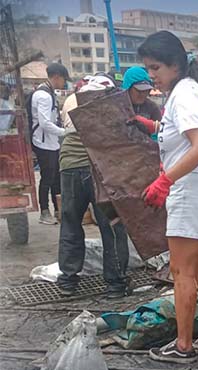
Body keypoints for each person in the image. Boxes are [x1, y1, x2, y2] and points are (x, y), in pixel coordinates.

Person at [139, 31, 198, 363]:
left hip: (194, 190)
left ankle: (183, 346)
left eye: (156, 68)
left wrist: (164, 181)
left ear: (175, 65)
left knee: (182, 272)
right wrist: (151, 127)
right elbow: (183, 136)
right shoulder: (186, 91)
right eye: (148, 69)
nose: (152, 76)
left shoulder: (185, 95)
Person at [56, 75, 132, 299]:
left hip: (69, 165)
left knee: (70, 222)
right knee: (112, 224)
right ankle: (116, 284)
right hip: (97, 169)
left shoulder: (71, 99)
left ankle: (68, 282)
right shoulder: (108, 100)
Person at [30, 63, 69, 224]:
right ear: (56, 77)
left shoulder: (47, 92)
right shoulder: (44, 96)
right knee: (47, 178)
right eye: (63, 80)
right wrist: (64, 133)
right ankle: (44, 212)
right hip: (43, 142)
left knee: (56, 178)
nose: (64, 83)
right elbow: (45, 122)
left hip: (51, 142)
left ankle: (58, 210)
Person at [122, 66, 162, 139]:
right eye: (139, 91)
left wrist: (152, 125)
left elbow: (165, 131)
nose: (143, 94)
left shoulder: (152, 107)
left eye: (146, 90)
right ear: (128, 88)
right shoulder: (116, 106)